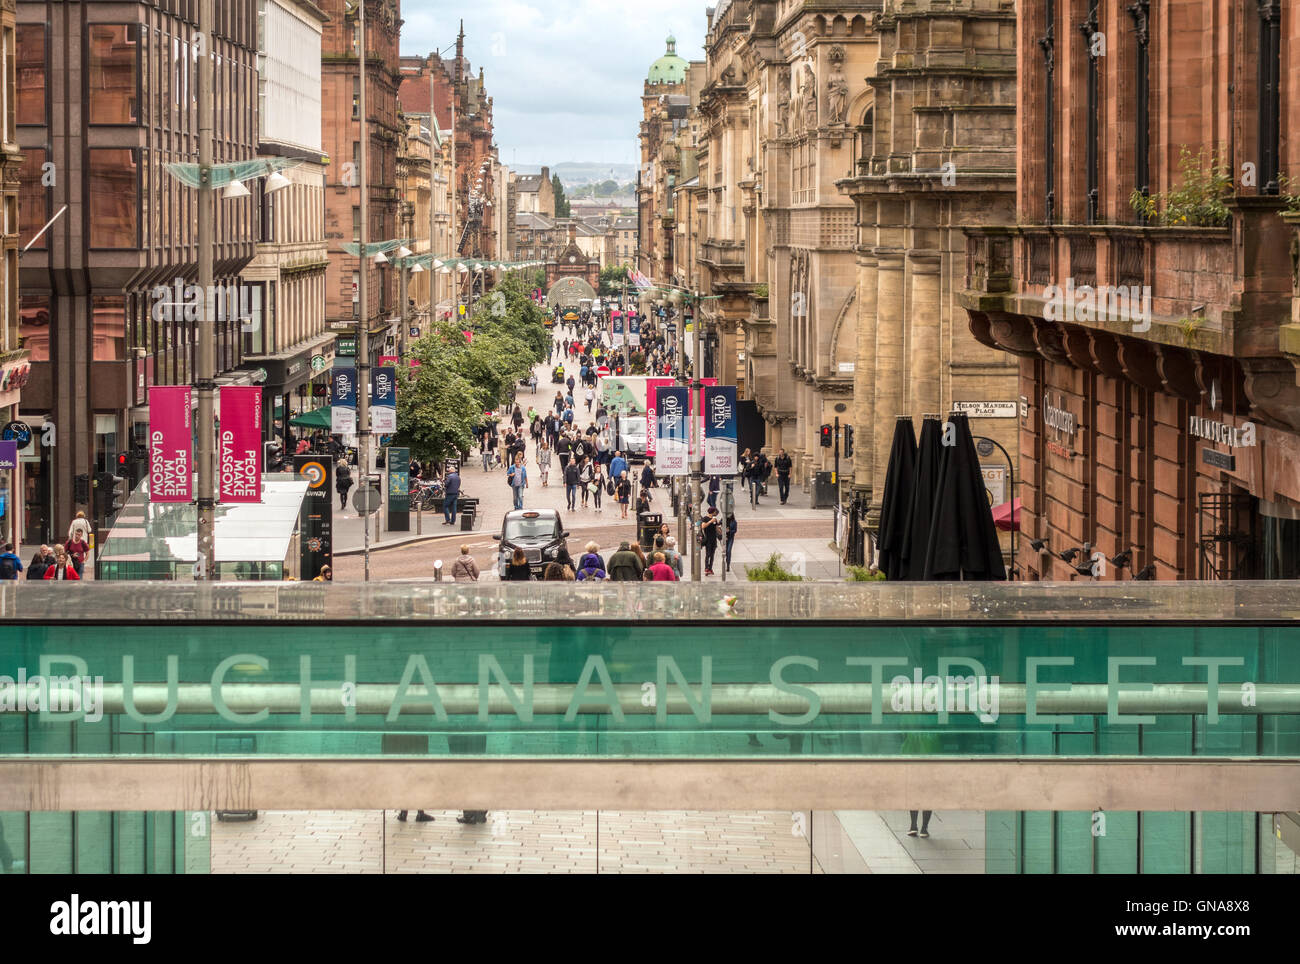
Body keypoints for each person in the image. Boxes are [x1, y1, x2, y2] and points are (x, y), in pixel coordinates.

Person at [701, 507, 721, 576]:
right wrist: (710, 521)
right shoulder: (705, 518)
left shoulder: (715, 518)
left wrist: (721, 531)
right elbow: (703, 526)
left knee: (712, 555)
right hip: (708, 539)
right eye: (715, 512)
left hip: (713, 539)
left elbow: (716, 528)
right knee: (708, 554)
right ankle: (706, 568)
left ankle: (710, 568)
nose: (716, 513)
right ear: (712, 512)